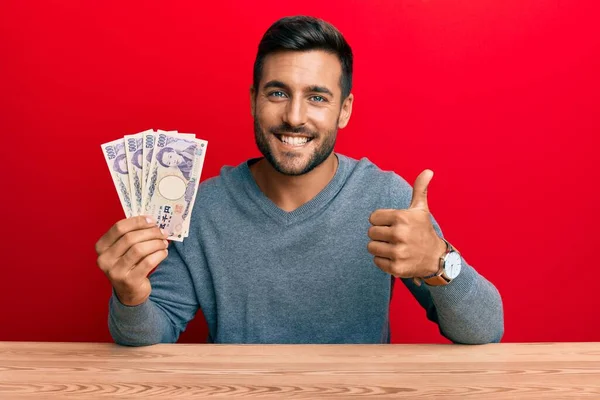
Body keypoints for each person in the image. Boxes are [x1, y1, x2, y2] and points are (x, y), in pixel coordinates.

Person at [95, 15, 504, 346]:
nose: (294, 116)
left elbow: (485, 329)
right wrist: (130, 296)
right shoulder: (202, 208)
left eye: (317, 97)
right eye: (277, 94)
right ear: (253, 100)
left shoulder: (387, 199)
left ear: (344, 111)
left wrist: (439, 261)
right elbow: (152, 332)